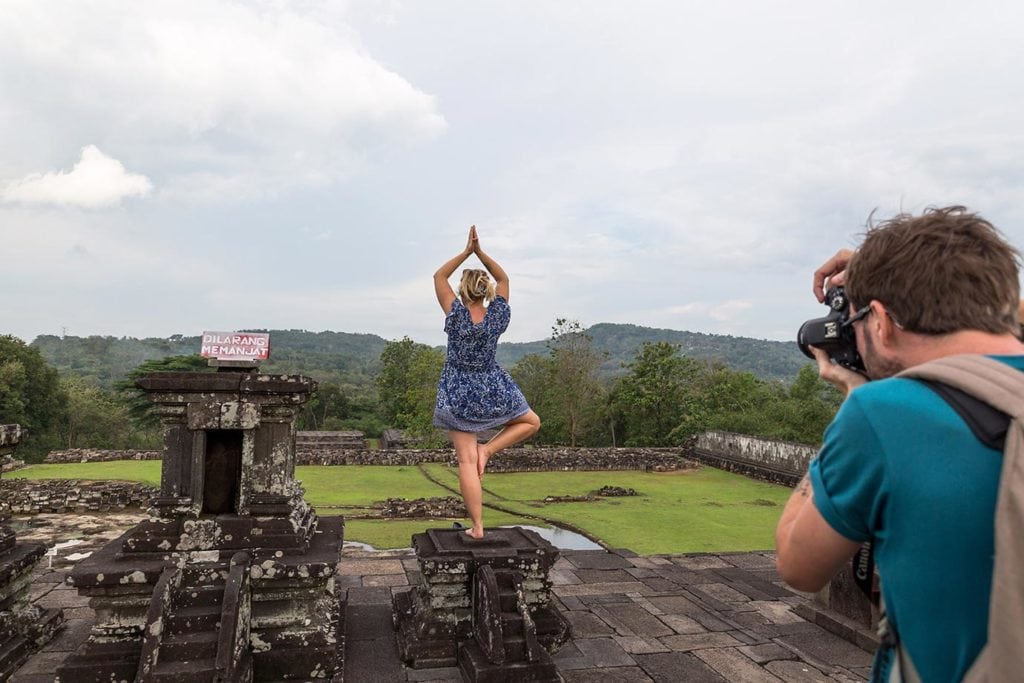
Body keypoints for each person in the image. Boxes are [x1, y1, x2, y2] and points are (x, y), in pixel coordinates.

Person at [775, 206, 1024, 682]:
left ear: (883, 323)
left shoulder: (887, 411)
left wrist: (856, 396)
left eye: (858, 323)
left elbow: (797, 565)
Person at [433, 225, 541, 539]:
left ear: (463, 291)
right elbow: (504, 279)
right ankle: (489, 451)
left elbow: (439, 277)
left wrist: (467, 252)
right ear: (485, 290)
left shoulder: (455, 315)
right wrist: (481, 253)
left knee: (466, 460)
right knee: (531, 422)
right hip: (492, 386)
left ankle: (478, 527)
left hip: (458, 390)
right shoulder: (497, 317)